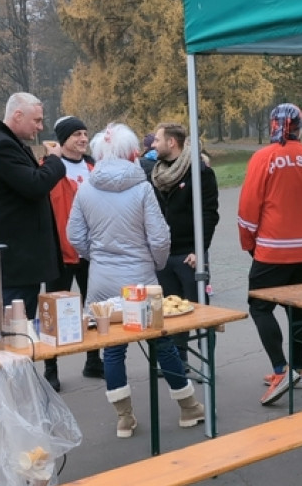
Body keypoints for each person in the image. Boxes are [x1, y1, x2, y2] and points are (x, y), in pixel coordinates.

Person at [67, 123, 205, 439]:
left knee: (113, 349)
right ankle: (187, 407)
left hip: (101, 280)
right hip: (140, 278)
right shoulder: (142, 188)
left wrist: (96, 257)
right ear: (130, 152)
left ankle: (124, 418)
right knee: (161, 342)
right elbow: (159, 237)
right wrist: (153, 264)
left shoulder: (86, 188)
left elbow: (75, 235)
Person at [238, 103, 302, 406]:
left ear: (272, 125)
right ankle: (299, 369)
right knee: (297, 308)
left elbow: (248, 208)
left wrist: (248, 242)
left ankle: (281, 370)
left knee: (260, 307)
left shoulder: (263, 158)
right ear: (299, 127)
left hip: (272, 247)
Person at [0, 93, 67, 390]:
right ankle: (16, 392)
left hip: (21, 259)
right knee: (17, 330)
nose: (40, 127)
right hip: (16, 260)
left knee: (20, 328)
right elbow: (34, 185)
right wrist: (54, 161)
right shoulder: (1, 146)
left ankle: (20, 387)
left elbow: (27, 181)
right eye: (36, 120)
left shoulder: (8, 144)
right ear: (17, 116)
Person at [149, 122, 220, 361]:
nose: (152, 144)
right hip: (164, 256)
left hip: (190, 254)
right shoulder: (157, 174)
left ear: (171, 142)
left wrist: (200, 249)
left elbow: (210, 214)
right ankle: (179, 363)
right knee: (170, 313)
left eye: (157, 140)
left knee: (200, 310)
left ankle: (206, 361)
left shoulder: (200, 173)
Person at [47, 115, 103, 381]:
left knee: (93, 307)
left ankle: (94, 360)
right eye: (76, 135)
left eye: (84, 133)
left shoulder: (94, 167)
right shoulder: (50, 168)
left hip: (91, 251)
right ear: (63, 140)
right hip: (59, 252)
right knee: (54, 313)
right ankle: (51, 369)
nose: (82, 139)